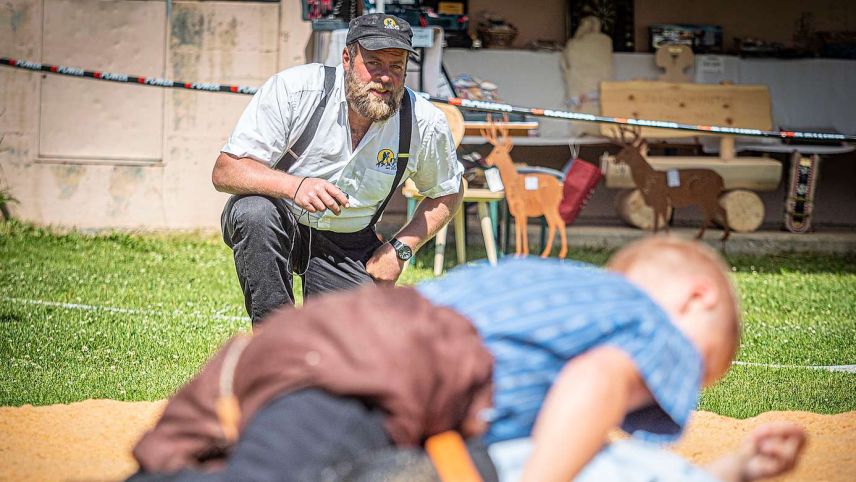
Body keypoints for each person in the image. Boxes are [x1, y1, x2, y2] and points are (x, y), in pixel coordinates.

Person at [130, 237, 805, 481]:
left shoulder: (550, 285)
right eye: (694, 371)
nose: (659, 394)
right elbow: (597, 383)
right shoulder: (649, 320)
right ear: (696, 298)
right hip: (388, 368)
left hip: (312, 347)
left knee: (234, 456)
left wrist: (732, 470)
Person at [213, 13, 464, 324]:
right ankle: (276, 341)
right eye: (373, 63)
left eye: (396, 67)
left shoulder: (424, 122)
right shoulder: (296, 90)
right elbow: (226, 170)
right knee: (254, 211)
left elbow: (449, 190)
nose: (385, 78)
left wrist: (401, 249)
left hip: (350, 240)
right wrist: (295, 186)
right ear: (347, 58)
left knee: (357, 355)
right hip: (282, 219)